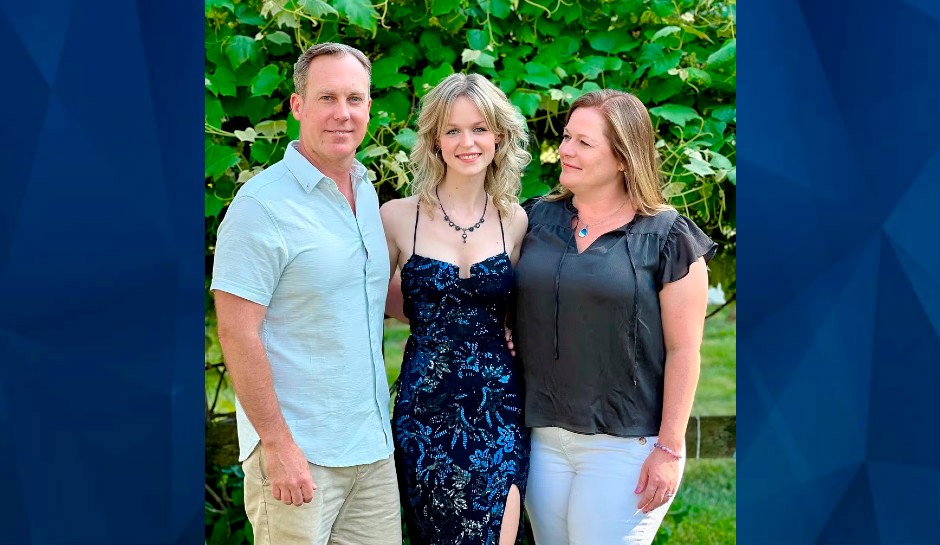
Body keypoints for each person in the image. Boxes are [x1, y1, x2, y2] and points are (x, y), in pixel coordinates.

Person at [210, 43, 401, 545]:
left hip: (371, 451)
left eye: (355, 99)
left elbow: (371, 298)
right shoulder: (260, 206)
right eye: (327, 98)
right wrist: (277, 445)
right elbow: (235, 330)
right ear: (298, 107)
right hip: (299, 455)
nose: (343, 113)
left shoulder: (365, 191)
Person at [512, 89, 717, 545]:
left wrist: (668, 447)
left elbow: (686, 350)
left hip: (627, 442)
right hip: (545, 435)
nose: (565, 149)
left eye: (584, 142)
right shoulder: (534, 220)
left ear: (624, 157)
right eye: (566, 137)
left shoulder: (667, 236)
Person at [380, 73, 531, 545]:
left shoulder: (516, 220)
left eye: (480, 128)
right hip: (425, 410)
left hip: (500, 408)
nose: (467, 142)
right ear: (434, 141)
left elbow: (517, 310)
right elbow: (371, 310)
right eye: (453, 130)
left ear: (499, 136)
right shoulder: (397, 217)